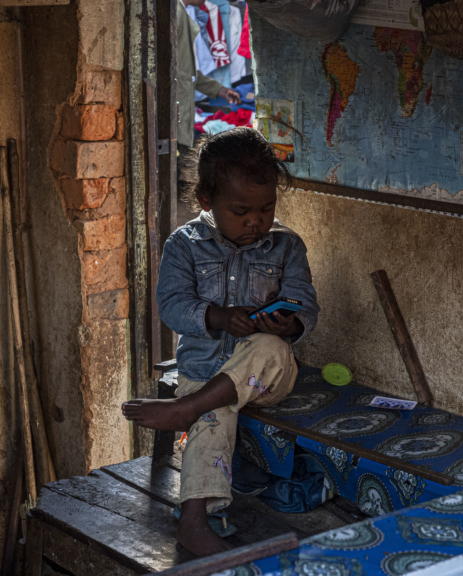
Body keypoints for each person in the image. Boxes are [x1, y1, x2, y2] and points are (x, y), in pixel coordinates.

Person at [122, 127, 320, 556]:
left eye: (266, 209)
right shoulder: (184, 245)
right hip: (205, 370)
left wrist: (288, 324)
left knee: (271, 349)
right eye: (241, 211)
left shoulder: (286, 246)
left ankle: (187, 407)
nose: (255, 221)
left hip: (267, 378)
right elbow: (172, 306)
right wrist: (218, 317)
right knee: (213, 414)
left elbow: (306, 304)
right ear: (206, 200)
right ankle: (194, 521)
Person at [177, 0, 242, 156]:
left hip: (181, 110)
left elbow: (187, 71)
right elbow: (176, 71)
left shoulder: (181, 11)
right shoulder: (175, 12)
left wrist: (219, 89)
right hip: (176, 111)